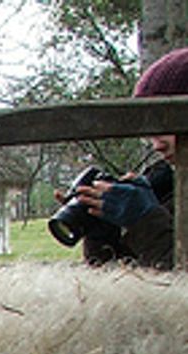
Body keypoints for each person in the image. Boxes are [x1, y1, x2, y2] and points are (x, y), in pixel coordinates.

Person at [67, 47, 188, 270]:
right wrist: (103, 232)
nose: (157, 144)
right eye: (150, 130)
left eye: (169, 124)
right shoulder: (166, 188)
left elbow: (181, 276)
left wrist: (145, 221)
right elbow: (131, 292)